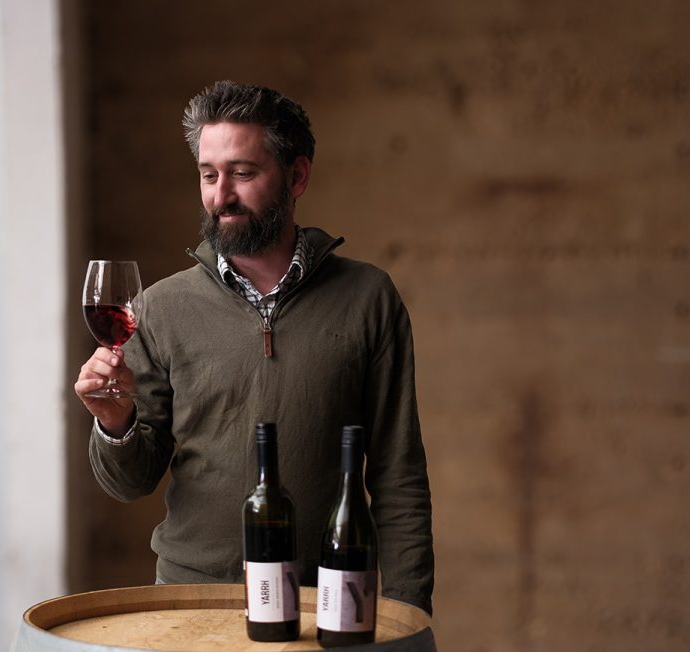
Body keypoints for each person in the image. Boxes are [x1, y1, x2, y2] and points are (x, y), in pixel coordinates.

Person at [74, 80, 434, 614]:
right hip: (190, 602)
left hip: (327, 597)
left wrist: (409, 614)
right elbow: (130, 483)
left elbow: (397, 474)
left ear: (297, 176)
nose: (221, 195)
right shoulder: (161, 307)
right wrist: (116, 424)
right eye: (208, 175)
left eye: (243, 173)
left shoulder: (367, 298)